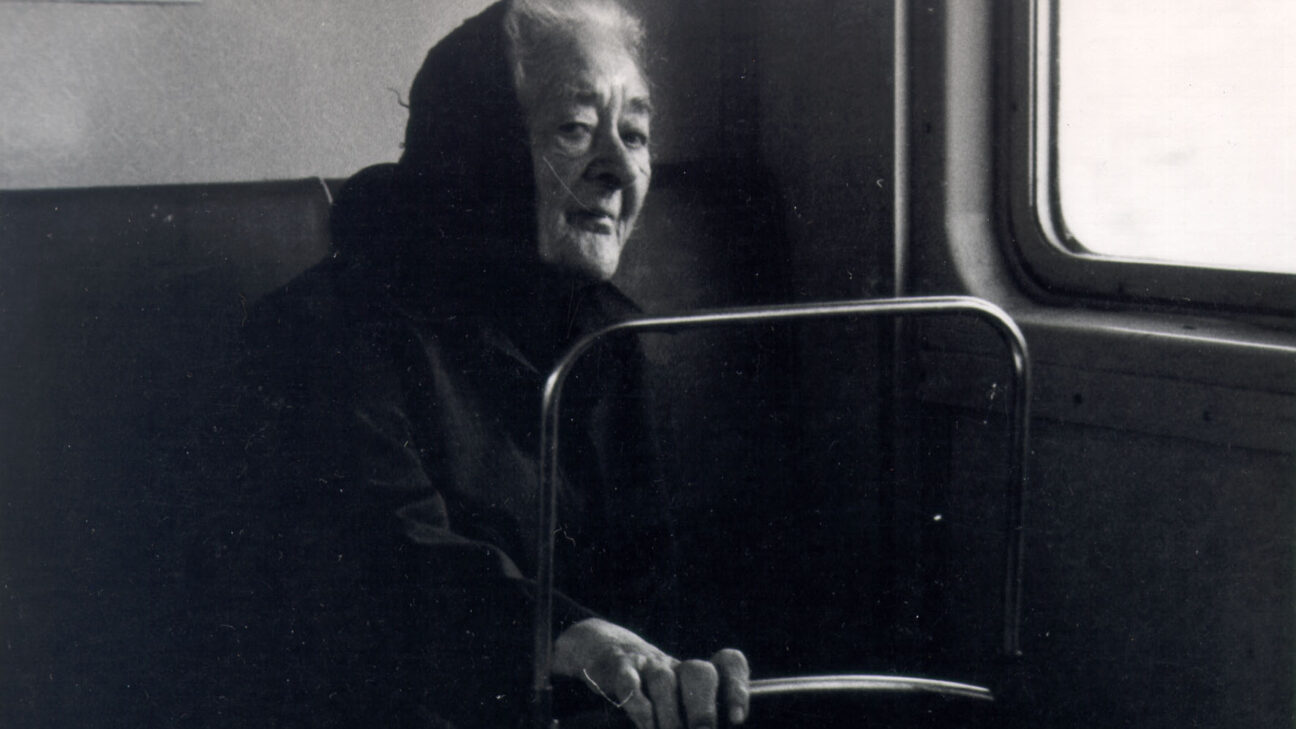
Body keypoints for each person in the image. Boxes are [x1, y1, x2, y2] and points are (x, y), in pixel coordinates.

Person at [179, 1, 749, 727]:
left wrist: (694, 674)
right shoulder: (320, 330)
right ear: (474, 149)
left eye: (634, 133)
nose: (618, 169)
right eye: (576, 128)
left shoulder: (611, 336)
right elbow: (387, 566)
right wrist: (569, 637)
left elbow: (656, 578)